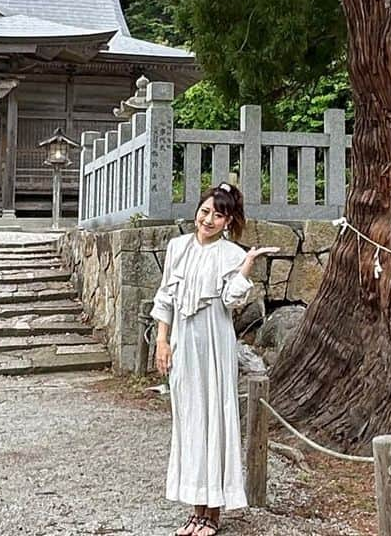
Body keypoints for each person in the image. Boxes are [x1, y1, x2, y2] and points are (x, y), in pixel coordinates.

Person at [152, 181, 279, 536]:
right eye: (205, 211)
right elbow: (166, 299)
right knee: (190, 423)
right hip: (183, 345)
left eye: (218, 215)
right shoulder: (178, 247)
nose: (208, 219)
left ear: (228, 220)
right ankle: (195, 510)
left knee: (215, 421)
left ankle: (213, 514)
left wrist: (246, 266)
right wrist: (163, 341)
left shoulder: (231, 254)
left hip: (214, 345)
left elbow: (231, 301)